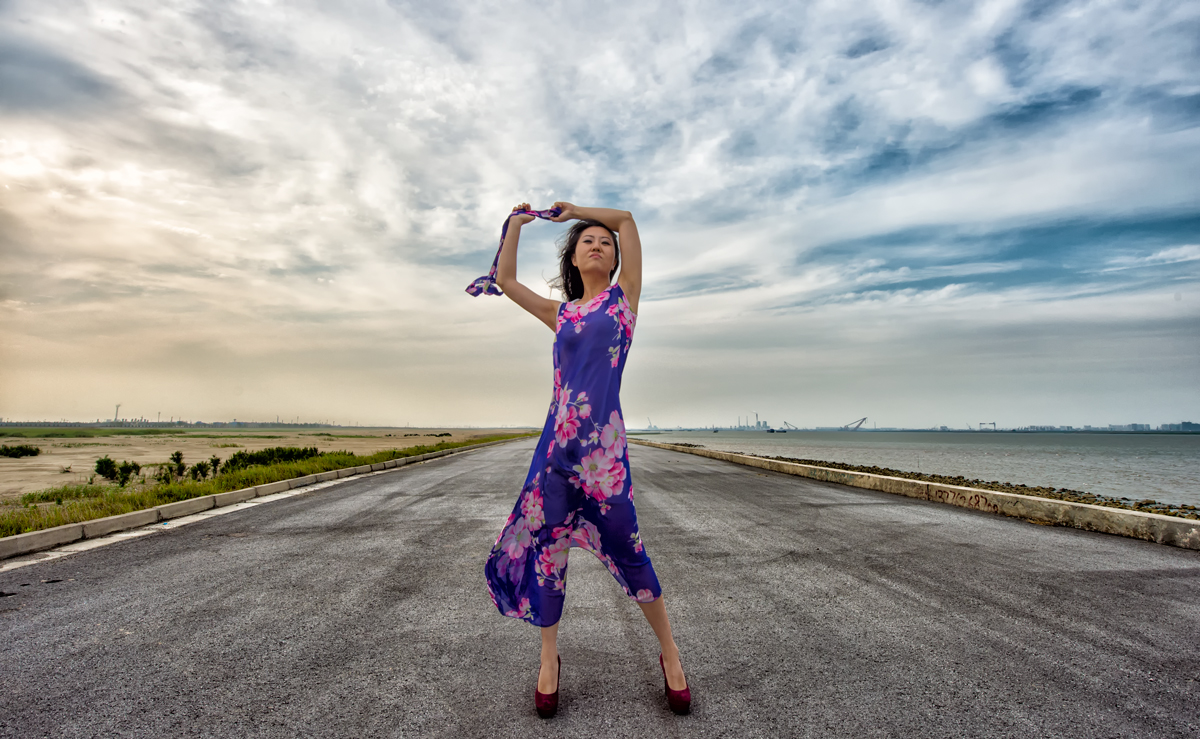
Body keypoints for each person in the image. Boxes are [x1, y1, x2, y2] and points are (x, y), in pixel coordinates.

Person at [479, 202, 690, 717]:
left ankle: (671, 653)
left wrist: (574, 210)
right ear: (573, 258)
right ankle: (549, 660)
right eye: (586, 241)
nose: (598, 245)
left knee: (630, 546)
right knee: (551, 554)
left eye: (605, 244)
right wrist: (515, 226)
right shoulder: (563, 314)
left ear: (616, 261)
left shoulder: (625, 301)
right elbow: (505, 279)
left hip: (605, 456)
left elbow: (626, 221)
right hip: (557, 450)